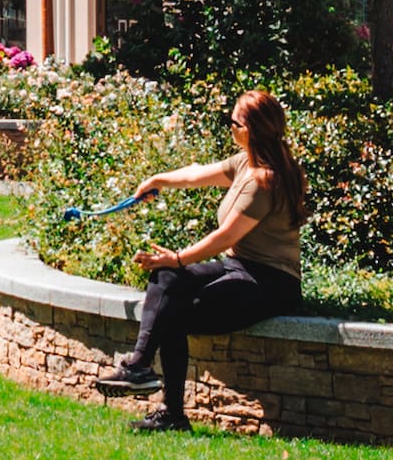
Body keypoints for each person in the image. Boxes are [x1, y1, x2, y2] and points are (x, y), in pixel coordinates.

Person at [92, 87, 307, 431]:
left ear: (249, 130)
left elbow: (225, 237)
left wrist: (178, 258)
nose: (230, 127)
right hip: (240, 267)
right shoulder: (245, 163)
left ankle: (170, 412)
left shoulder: (264, 180)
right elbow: (195, 175)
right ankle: (140, 368)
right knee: (166, 279)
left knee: (173, 309)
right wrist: (156, 180)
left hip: (271, 283)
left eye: (233, 122)